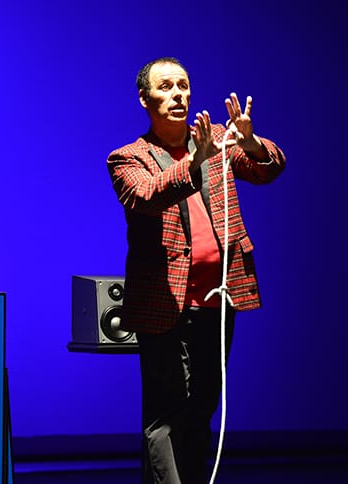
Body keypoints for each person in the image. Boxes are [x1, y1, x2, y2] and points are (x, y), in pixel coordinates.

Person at [106, 57, 286, 484]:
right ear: (145, 98)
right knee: (166, 414)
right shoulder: (127, 158)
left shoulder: (217, 140)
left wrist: (250, 142)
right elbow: (148, 196)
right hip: (164, 304)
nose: (178, 95)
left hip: (217, 302)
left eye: (184, 86)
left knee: (201, 408)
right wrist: (193, 162)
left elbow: (269, 168)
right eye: (166, 87)